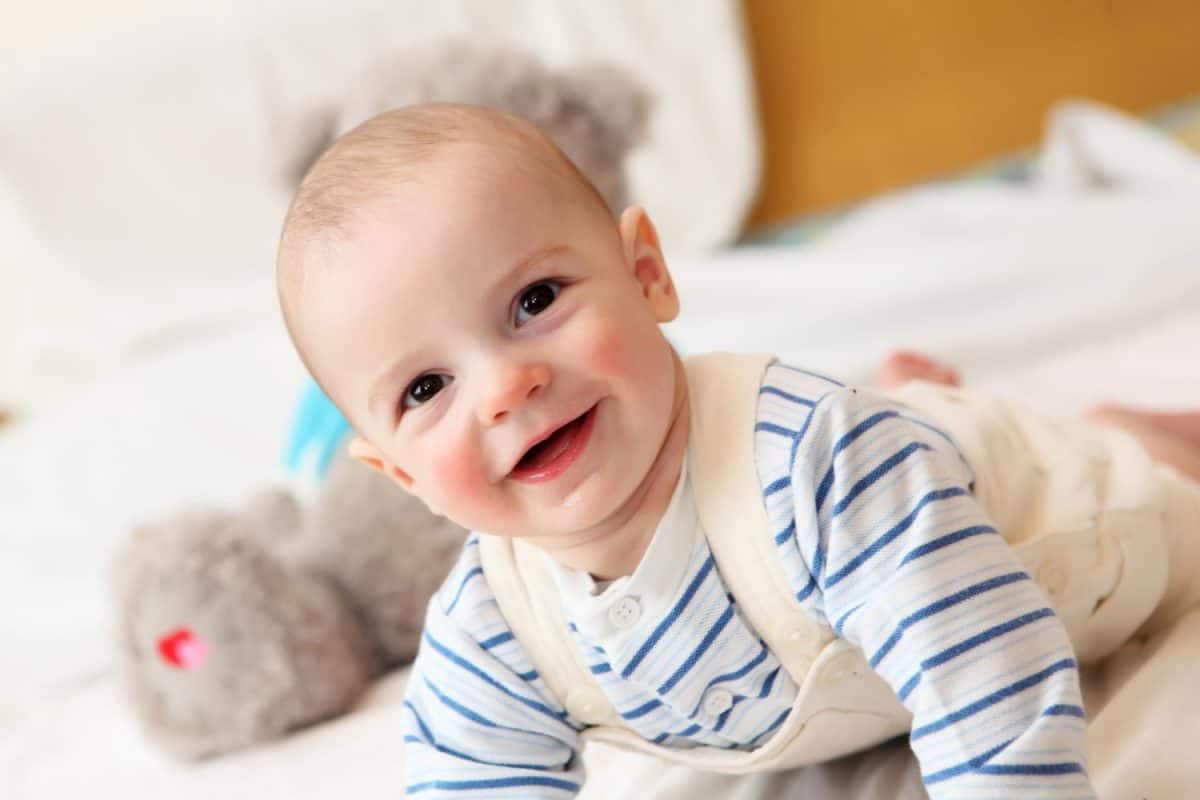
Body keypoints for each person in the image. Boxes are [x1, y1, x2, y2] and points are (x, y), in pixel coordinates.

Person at [275, 104, 1200, 798]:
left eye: (534, 302)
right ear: (399, 475)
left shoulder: (819, 463)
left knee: (1143, 466)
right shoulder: (492, 630)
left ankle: (1113, 422)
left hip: (1059, 519)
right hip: (877, 517)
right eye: (426, 390)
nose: (504, 388)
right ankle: (916, 389)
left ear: (648, 275)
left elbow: (989, 682)